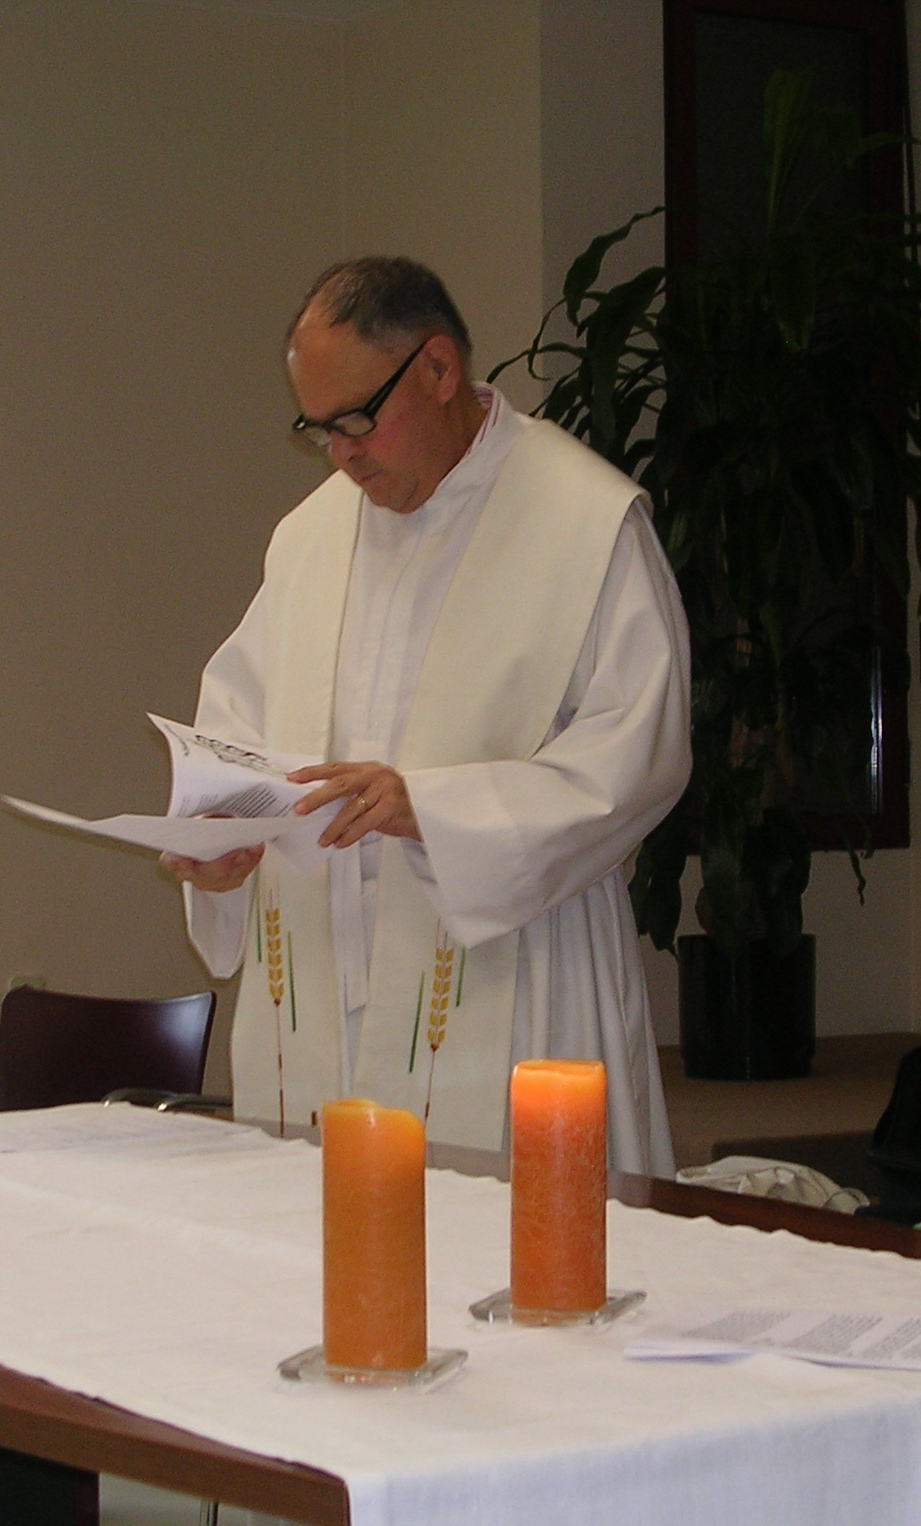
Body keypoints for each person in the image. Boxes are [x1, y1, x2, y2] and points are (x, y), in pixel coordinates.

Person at [164, 258, 690, 1174]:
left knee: (519, 1275)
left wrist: (434, 812)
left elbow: (636, 758)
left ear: (439, 370)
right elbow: (236, 735)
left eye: (357, 419)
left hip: (516, 975)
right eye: (318, 429)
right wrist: (219, 843)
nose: (342, 454)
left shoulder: (585, 521)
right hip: (323, 990)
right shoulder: (311, 538)